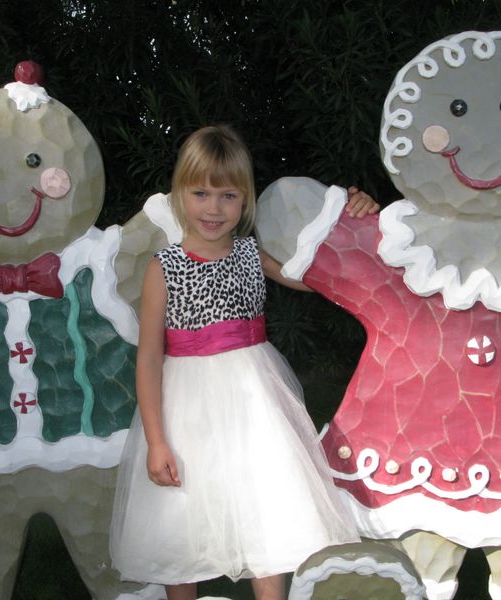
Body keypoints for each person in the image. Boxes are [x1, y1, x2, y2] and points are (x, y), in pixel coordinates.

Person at [110, 125, 378, 600]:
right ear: (179, 195)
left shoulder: (255, 255)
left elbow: (318, 275)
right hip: (186, 410)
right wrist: (156, 440)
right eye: (201, 193)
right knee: (182, 519)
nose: (214, 208)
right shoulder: (164, 268)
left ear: (246, 200)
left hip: (255, 401)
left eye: (228, 195)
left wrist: (354, 218)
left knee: (264, 501)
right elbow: (150, 357)